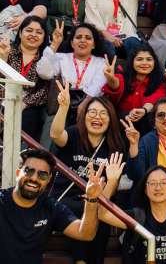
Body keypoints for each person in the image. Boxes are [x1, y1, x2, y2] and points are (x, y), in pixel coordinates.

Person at [50, 82, 124, 264]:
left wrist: (112, 181)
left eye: (103, 113)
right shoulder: (74, 134)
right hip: (66, 198)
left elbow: (106, 198)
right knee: (85, 209)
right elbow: (56, 135)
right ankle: (81, 260)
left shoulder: (114, 146)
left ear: (110, 119)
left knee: (99, 212)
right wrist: (63, 107)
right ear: (84, 116)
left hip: (97, 200)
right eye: (92, 112)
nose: (97, 117)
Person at [0, 148, 104, 263]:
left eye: (42, 175)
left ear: (49, 180)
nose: (34, 178)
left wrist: (91, 199)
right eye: (29, 171)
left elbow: (85, 234)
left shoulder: (51, 207)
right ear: (18, 173)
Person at [102, 43, 166, 135]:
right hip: (120, 125)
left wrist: (144, 110)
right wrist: (111, 78)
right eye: (139, 59)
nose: (144, 63)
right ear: (132, 62)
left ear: (154, 62)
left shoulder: (160, 81)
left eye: (149, 59)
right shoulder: (124, 77)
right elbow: (116, 84)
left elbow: (155, 99)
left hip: (146, 128)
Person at [0, 16, 49, 141]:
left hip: (30, 106)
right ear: (20, 33)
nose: (33, 35)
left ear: (44, 37)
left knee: (29, 117)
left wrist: (25, 103)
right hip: (4, 99)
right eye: (29, 30)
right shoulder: (7, 49)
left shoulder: (46, 59)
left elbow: (45, 90)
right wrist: (3, 58)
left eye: (39, 32)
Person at [37, 23, 108, 100]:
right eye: (78, 37)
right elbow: (44, 74)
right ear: (72, 43)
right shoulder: (61, 58)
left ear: (94, 45)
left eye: (88, 38)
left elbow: (96, 89)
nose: (83, 40)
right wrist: (55, 44)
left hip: (90, 104)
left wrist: (84, 104)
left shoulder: (101, 63)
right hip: (62, 102)